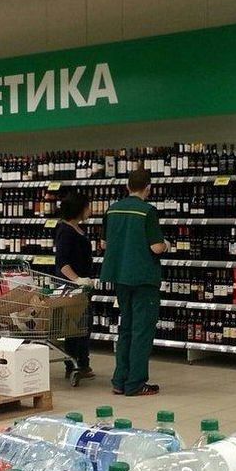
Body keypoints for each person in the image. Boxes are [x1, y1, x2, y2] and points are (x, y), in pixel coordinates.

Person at [100, 168, 170, 396]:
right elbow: (156, 247)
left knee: (126, 328)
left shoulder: (112, 209)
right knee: (142, 330)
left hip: (120, 276)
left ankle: (119, 381)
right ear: (148, 188)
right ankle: (136, 383)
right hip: (142, 277)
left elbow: (104, 244)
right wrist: (167, 245)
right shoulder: (147, 211)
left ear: (127, 186)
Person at [54, 191, 95, 379]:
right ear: (79, 209)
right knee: (74, 328)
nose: (90, 210)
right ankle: (73, 365)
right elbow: (62, 263)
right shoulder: (65, 231)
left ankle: (82, 363)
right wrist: (77, 280)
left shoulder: (76, 228)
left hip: (82, 287)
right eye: (87, 207)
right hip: (72, 288)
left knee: (83, 326)